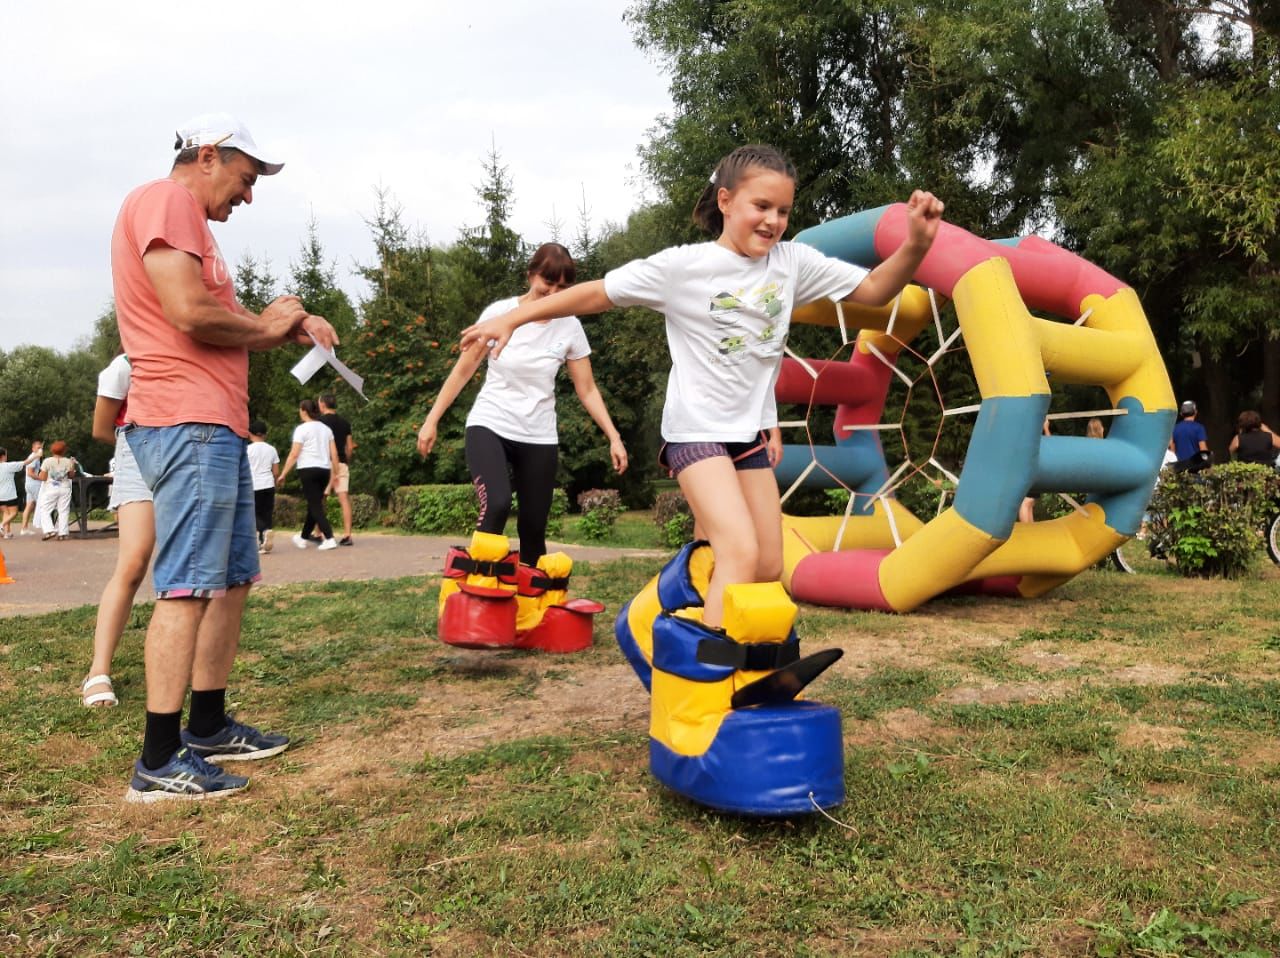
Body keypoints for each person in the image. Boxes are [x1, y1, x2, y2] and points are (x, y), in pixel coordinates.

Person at [461, 147, 943, 626]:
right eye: (761, 206)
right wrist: (513, 317)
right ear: (727, 201)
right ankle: (713, 677)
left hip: (746, 435)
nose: (773, 221)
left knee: (769, 564)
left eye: (783, 211)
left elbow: (877, 289)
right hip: (695, 431)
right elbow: (595, 293)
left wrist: (916, 246)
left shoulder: (793, 263)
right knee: (738, 550)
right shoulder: (683, 268)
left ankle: (679, 612)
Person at [112, 112, 337, 802]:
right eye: (244, 179)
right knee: (186, 585)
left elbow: (219, 318)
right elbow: (189, 313)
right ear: (207, 156)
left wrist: (281, 319)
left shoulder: (190, 223)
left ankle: (206, 727)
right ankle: (157, 760)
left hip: (214, 426)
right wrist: (272, 330)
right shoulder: (166, 200)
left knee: (230, 577)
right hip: (187, 422)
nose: (247, 197)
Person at [420, 242, 629, 566]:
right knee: (498, 503)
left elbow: (586, 389)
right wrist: (432, 419)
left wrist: (613, 436)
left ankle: (531, 609)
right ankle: (476, 596)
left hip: (539, 434)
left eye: (563, 287)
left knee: (533, 527)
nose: (554, 293)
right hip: (491, 423)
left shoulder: (570, 325)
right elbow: (463, 371)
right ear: (531, 275)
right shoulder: (499, 314)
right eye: (548, 283)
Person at [81, 354, 155, 708]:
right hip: (137, 453)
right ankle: (99, 670)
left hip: (191, 453)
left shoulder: (193, 350)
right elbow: (101, 429)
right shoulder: (125, 365)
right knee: (134, 561)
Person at [277, 399, 340, 551]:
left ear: (304, 410)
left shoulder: (301, 429)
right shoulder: (326, 429)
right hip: (324, 470)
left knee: (315, 505)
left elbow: (294, 454)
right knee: (314, 505)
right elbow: (334, 453)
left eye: (300, 409)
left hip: (308, 469)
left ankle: (329, 538)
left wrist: (283, 473)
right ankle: (303, 537)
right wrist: (335, 473)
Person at [317, 393, 355, 545]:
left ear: (322, 405)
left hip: (324, 464)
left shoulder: (319, 423)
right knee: (344, 498)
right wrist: (346, 461)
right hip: (341, 463)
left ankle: (318, 533)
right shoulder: (345, 423)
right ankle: (347, 535)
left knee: (320, 499)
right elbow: (350, 447)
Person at [246, 420, 280, 554]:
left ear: (250, 434)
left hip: (254, 485)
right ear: (265, 434)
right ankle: (263, 542)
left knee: (254, 513)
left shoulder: (247, 449)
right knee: (267, 513)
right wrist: (276, 480)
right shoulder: (271, 449)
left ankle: (264, 532)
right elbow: (276, 471)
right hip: (268, 484)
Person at [35, 441, 77, 540]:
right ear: (64, 450)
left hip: (51, 488)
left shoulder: (47, 461)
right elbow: (71, 476)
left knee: (45, 509)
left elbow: (43, 477)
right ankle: (62, 533)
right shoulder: (68, 461)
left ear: (52, 450)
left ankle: (50, 530)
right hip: (65, 488)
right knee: (63, 511)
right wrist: (73, 465)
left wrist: (39, 475)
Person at [0, 442, 42, 538]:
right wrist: (36, 456)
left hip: (0, 496)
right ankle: (1, 525)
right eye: (6, 454)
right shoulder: (9, 466)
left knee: (6, 513)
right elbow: (25, 462)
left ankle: (7, 533)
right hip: (9, 495)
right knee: (14, 513)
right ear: (2, 456)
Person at [1018, 418, 1053, 523]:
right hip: (1030, 469)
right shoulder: (1028, 435)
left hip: (1036, 469)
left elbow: (1051, 446)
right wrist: (1046, 427)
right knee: (1027, 502)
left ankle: (1030, 529)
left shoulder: (1035, 436)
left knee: (1030, 502)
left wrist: (1045, 427)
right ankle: (1028, 529)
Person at [1170, 400, 1209, 471]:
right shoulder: (1199, 428)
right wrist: (1208, 466)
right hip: (1195, 467)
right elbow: (1203, 450)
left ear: (1181, 413)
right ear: (1195, 412)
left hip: (1180, 468)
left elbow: (1172, 451)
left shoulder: (1174, 428)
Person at [19, 446, 44, 535]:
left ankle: (24, 529)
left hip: (29, 485)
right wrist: (41, 478)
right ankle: (47, 527)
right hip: (34, 485)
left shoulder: (32, 456)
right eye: (38, 447)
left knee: (29, 506)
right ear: (33, 449)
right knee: (43, 504)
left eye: (41, 447)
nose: (40, 449)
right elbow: (30, 473)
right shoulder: (34, 457)